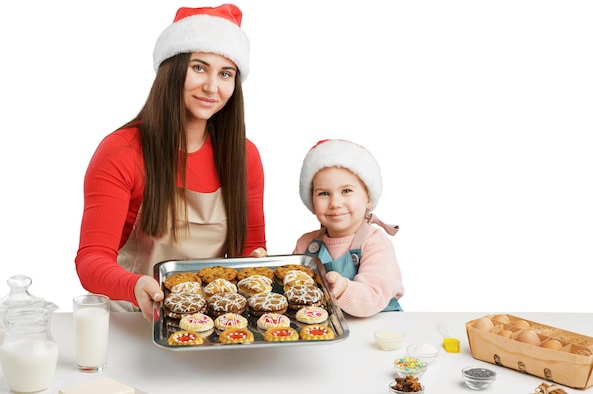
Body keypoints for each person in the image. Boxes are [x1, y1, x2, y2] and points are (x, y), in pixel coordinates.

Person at [74, 4, 267, 321]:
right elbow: (91, 259)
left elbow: (251, 248)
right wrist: (134, 285)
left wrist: (257, 263)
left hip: (215, 320)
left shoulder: (244, 156)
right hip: (135, 317)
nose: (211, 87)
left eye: (225, 74)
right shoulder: (121, 152)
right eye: (199, 68)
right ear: (172, 68)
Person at [292, 139, 404, 317]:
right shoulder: (306, 244)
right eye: (324, 193)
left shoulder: (376, 243)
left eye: (346, 191)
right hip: (329, 329)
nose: (335, 203)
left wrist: (343, 289)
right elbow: (291, 289)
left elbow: (373, 298)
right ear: (311, 201)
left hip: (378, 329)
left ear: (369, 198)